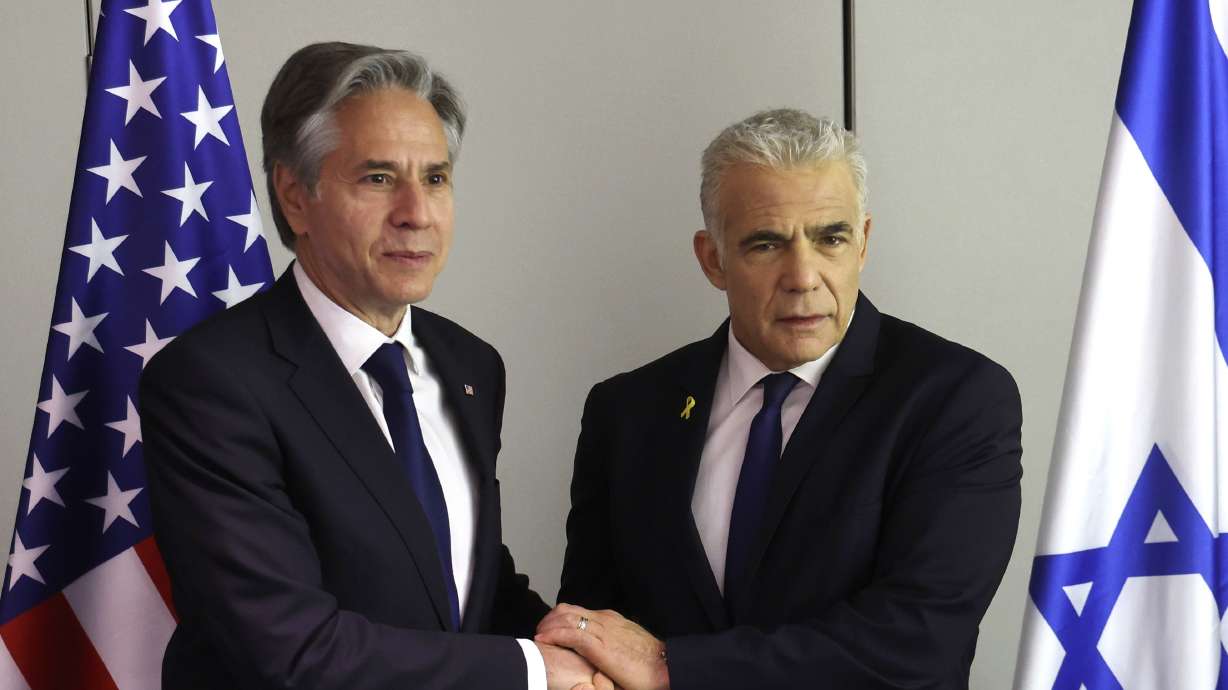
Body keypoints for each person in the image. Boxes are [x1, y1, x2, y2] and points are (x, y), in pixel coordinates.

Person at [140, 42, 595, 689]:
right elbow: (291, 650)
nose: (416, 213)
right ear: (295, 196)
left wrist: (586, 646)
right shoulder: (210, 384)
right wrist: (534, 670)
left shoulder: (471, 366)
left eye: (434, 178)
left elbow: (459, 576)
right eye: (378, 178)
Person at [536, 109, 1023, 689]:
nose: (803, 277)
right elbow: (594, 630)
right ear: (712, 259)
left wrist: (672, 667)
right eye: (767, 244)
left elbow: (918, 639)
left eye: (830, 239)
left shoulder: (956, 399)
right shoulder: (627, 411)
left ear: (863, 243)